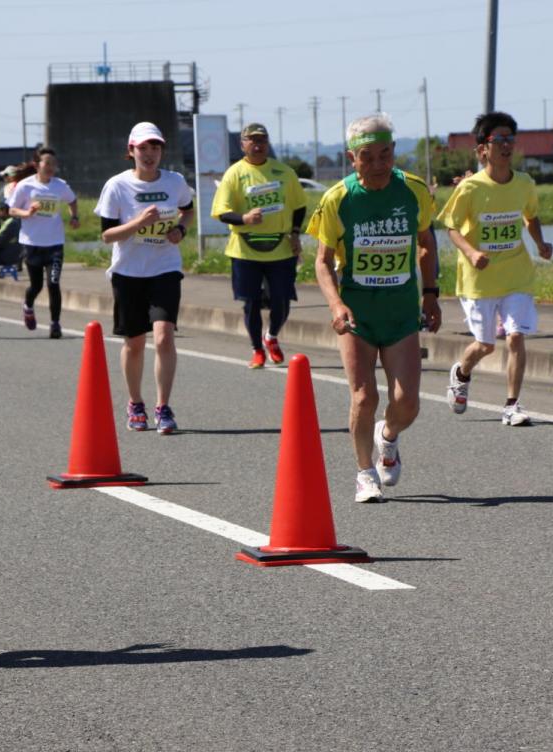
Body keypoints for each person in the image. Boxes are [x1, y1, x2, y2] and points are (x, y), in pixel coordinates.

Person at [307, 113, 441, 503]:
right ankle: (365, 474)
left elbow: (427, 244)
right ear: (353, 158)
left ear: (394, 152)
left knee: (407, 404)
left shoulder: (413, 191)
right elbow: (322, 260)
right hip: (358, 314)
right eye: (368, 157)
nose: (379, 164)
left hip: (400, 313)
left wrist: (430, 293)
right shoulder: (339, 198)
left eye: (386, 154)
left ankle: (389, 436)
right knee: (364, 397)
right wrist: (335, 304)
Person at [438, 111, 553, 426]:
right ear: (482, 150)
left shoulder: (525, 183)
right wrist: (472, 252)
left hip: (516, 273)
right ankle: (461, 374)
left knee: (516, 337)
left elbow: (531, 216)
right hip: (479, 280)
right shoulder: (470, 189)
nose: (506, 145)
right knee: (486, 345)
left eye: (510, 139)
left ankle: (512, 406)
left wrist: (541, 244)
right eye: (498, 140)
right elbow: (450, 227)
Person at [95, 121, 194, 435]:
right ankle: (135, 402)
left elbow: (187, 210)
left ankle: (163, 407)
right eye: (143, 148)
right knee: (135, 343)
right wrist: (138, 222)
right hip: (128, 272)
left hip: (164, 268)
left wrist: (181, 229)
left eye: (155, 147)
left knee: (164, 336)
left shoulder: (175, 181)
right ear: (131, 151)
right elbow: (107, 235)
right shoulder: (117, 186)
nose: (149, 154)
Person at [210, 122, 306, 368]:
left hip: (280, 247)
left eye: (262, 140)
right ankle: (256, 350)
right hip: (245, 248)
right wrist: (244, 219)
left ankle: (271, 336)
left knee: (282, 301)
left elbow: (299, 205)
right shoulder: (234, 173)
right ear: (242, 145)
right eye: (251, 140)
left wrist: (295, 233)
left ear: (268, 143)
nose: (257, 144)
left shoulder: (284, 172)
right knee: (250, 302)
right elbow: (221, 212)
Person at [8, 146, 79, 339]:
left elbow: (72, 200)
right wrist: (27, 212)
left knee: (53, 284)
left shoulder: (60, 185)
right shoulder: (25, 186)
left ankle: (55, 324)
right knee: (36, 286)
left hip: (55, 244)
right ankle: (28, 306)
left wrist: (74, 217)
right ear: (37, 165)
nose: (50, 167)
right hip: (32, 244)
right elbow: (12, 210)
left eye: (53, 164)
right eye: (47, 163)